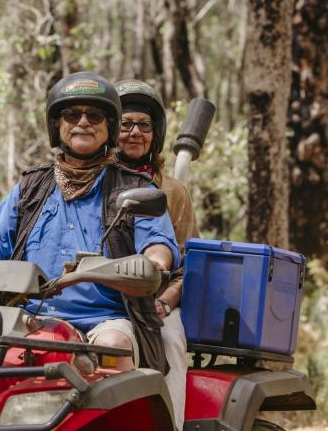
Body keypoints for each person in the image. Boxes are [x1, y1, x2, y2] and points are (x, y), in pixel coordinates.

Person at [0, 72, 180, 374]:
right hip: (26, 316)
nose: (83, 122)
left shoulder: (136, 188)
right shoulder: (31, 186)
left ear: (109, 127)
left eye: (94, 115)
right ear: (58, 125)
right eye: (72, 114)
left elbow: (159, 248)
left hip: (105, 319)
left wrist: (153, 263)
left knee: (112, 349)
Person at [115, 78, 200, 430]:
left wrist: (164, 301)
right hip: (104, 299)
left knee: (167, 342)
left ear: (156, 133)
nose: (135, 133)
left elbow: (187, 262)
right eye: (126, 124)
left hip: (157, 302)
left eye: (144, 125)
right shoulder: (93, 180)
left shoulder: (172, 191)